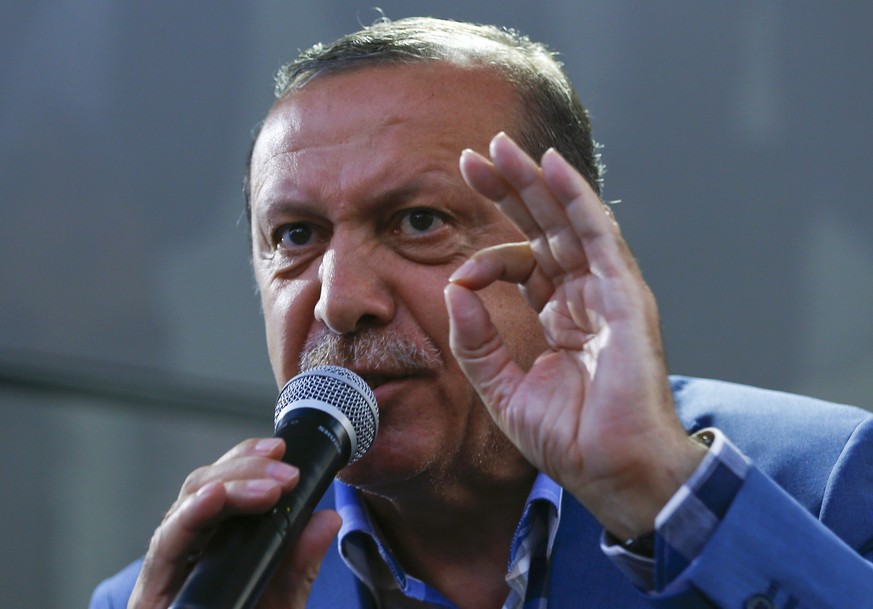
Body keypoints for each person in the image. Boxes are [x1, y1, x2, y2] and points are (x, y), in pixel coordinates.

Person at [90, 17, 873, 609]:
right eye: (295, 236)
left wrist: (659, 493)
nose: (340, 299)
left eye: (417, 221)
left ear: (572, 249)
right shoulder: (180, 591)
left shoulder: (826, 485)